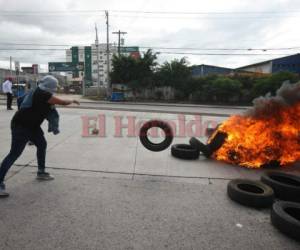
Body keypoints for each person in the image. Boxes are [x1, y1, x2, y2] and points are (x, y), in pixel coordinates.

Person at [0, 75, 79, 197]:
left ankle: (41, 172)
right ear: (50, 87)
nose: (55, 90)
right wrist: (72, 100)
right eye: (54, 87)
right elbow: (62, 102)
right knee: (14, 153)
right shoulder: (43, 94)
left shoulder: (37, 91)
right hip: (21, 126)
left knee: (42, 144)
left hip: (32, 127)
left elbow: (22, 101)